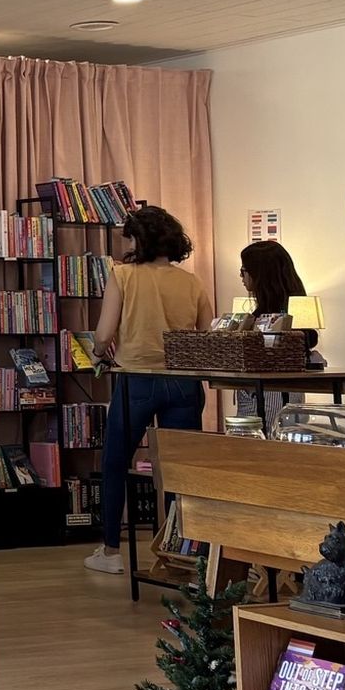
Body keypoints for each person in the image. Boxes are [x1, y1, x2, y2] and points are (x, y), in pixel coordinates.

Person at [87, 205, 215, 575]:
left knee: (115, 462)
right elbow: (206, 333)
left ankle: (110, 551)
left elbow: (104, 333)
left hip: (136, 379)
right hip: (184, 382)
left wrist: (98, 354)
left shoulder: (123, 275)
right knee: (181, 470)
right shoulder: (191, 282)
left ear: (138, 239)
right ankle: (188, 550)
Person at [238, 239, 316, 421]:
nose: (241, 277)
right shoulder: (288, 310)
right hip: (273, 393)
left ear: (259, 274)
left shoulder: (275, 319)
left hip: (270, 395)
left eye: (244, 271)